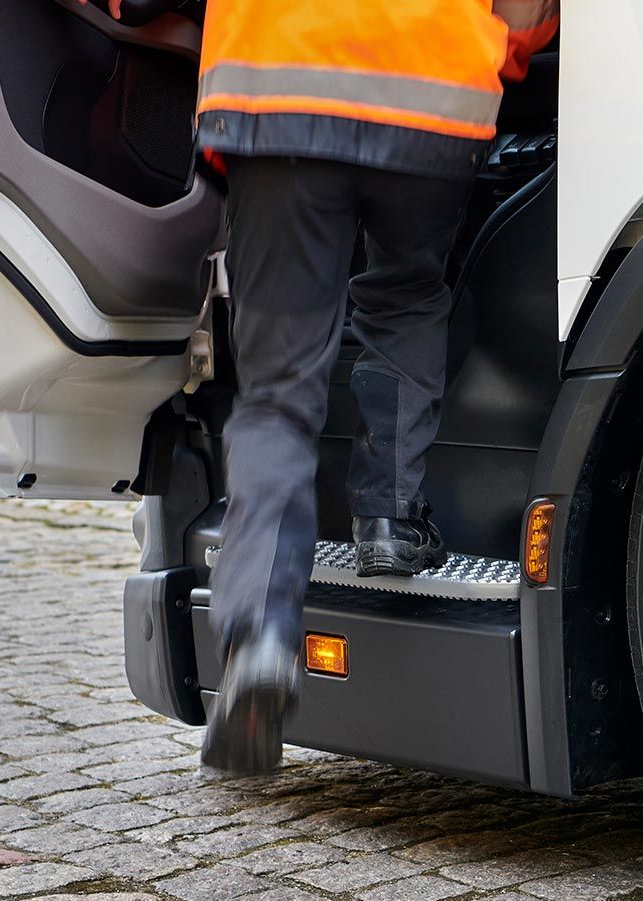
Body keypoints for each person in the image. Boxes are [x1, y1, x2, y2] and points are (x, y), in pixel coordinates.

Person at [185, 0, 559, 776]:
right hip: (433, 92)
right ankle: (387, 517)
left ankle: (257, 635)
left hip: (277, 86)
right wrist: (513, 46)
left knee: (278, 391)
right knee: (406, 297)